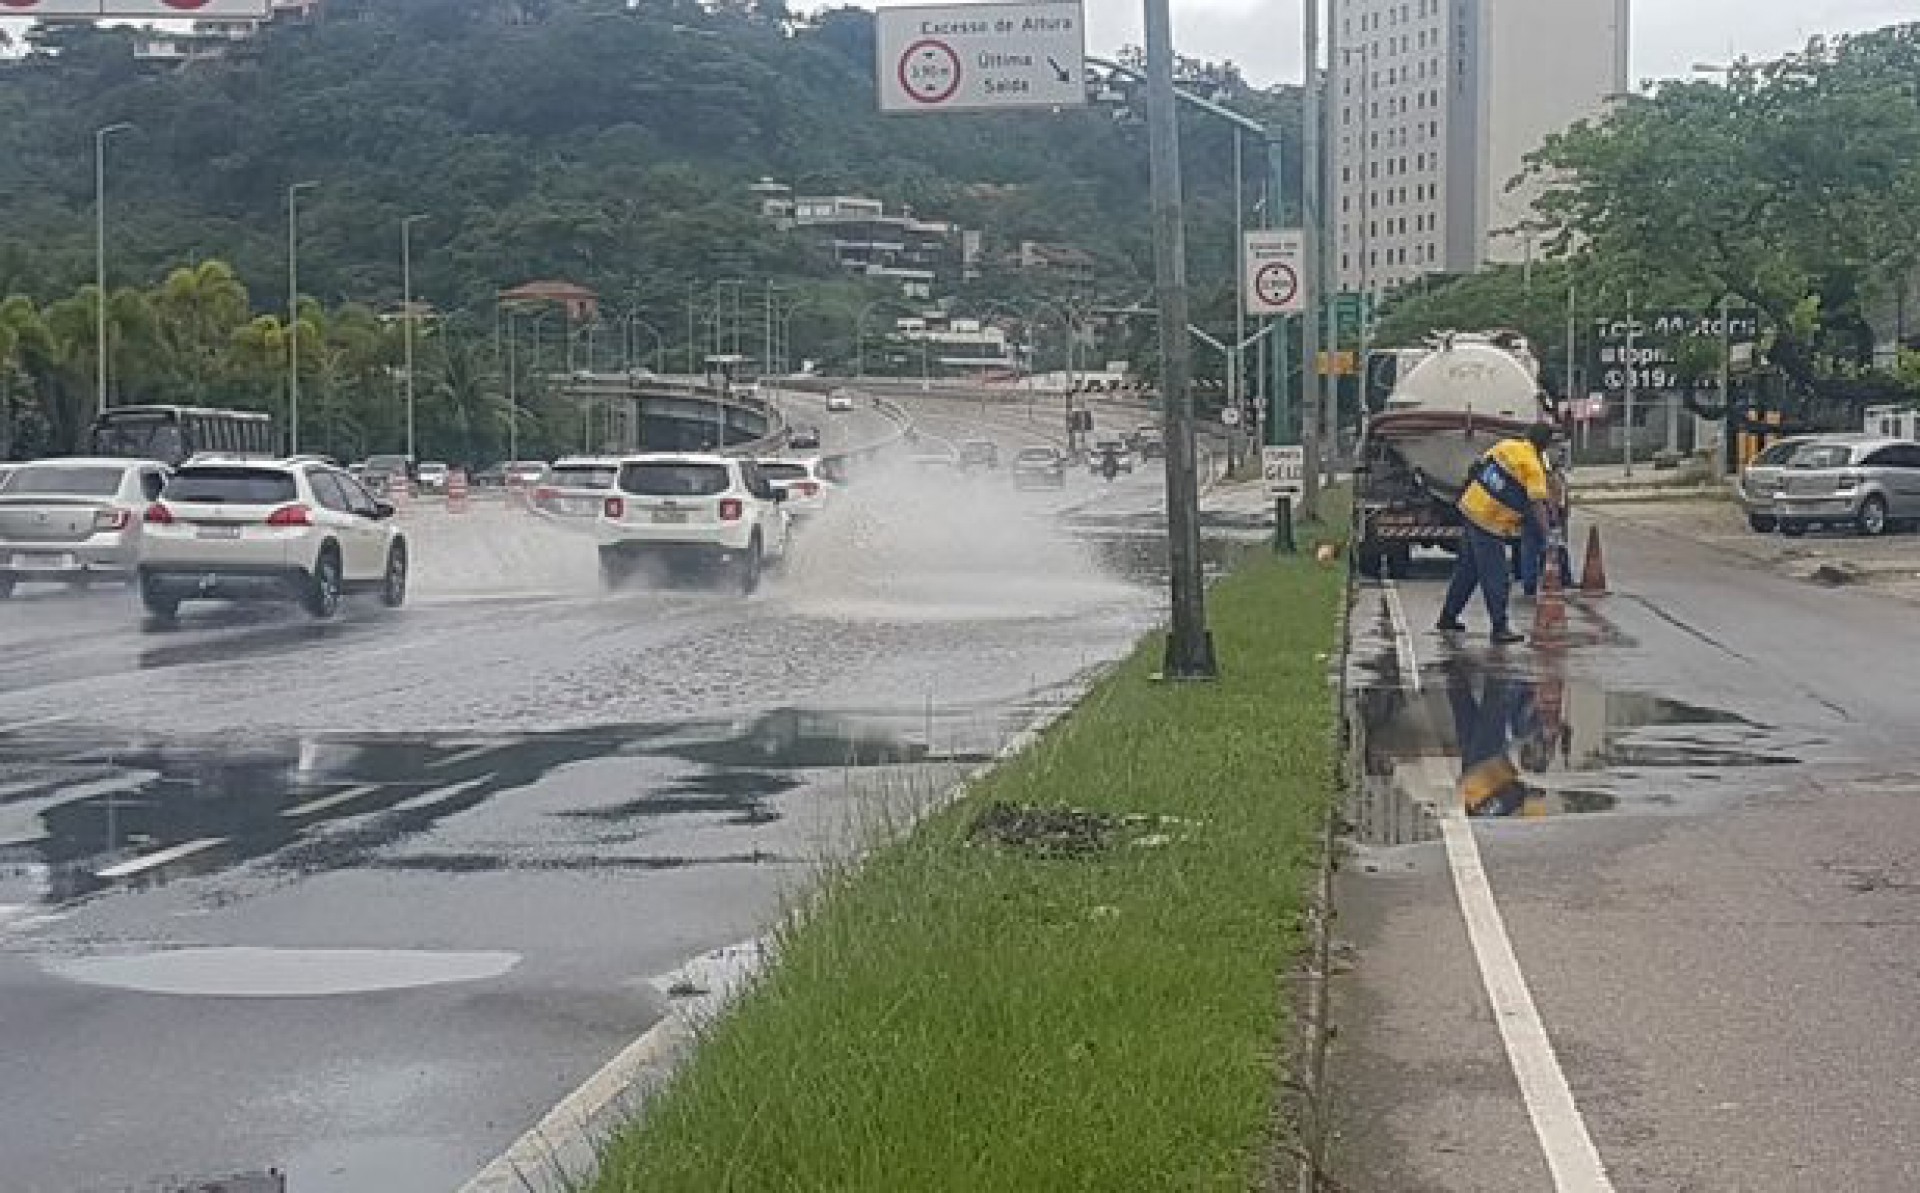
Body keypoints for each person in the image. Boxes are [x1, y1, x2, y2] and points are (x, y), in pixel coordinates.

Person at [1437, 423, 1557, 645]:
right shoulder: (1532, 466)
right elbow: (1537, 504)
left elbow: (1478, 466)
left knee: (1468, 571)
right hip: (1488, 522)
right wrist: (1548, 534)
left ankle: (1448, 617)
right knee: (1497, 575)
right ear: (1545, 446)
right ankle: (1499, 627)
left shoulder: (1506, 446)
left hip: (1470, 507)